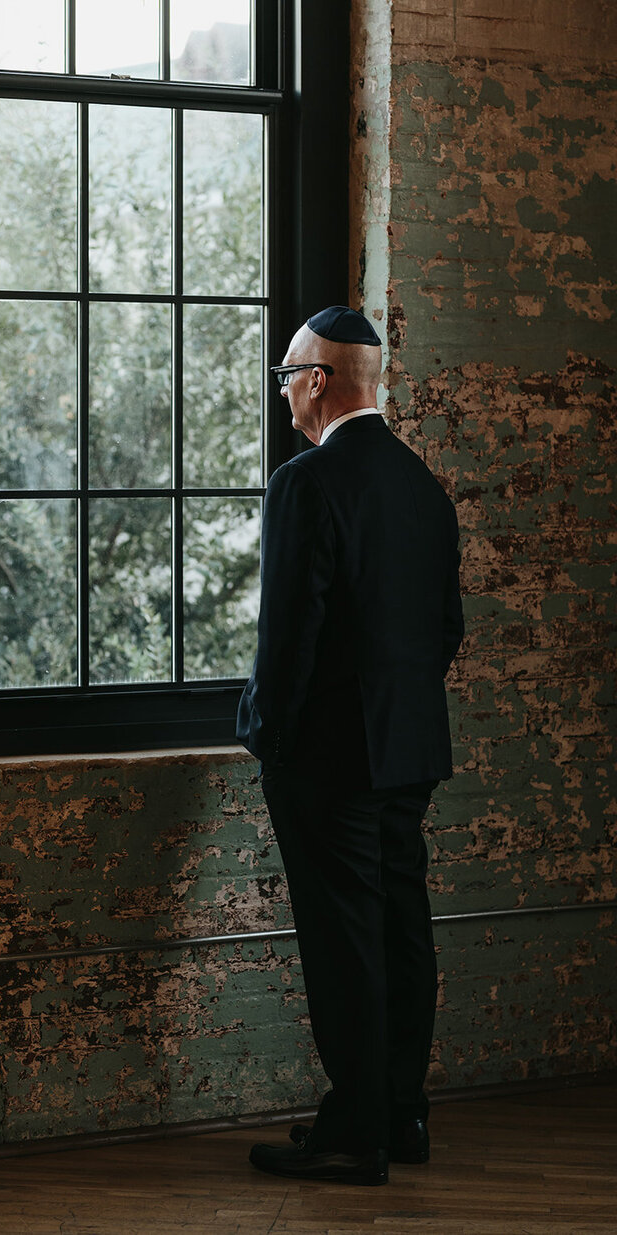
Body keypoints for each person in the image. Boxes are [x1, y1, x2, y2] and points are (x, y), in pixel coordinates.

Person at [236, 305, 464, 1187]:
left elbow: (288, 636)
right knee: (403, 929)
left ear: (318, 380)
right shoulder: (424, 487)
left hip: (329, 759)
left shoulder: (307, 483)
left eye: (288, 372)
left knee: (344, 943)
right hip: (409, 750)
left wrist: (264, 729)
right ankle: (403, 1113)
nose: (286, 388)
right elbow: (446, 628)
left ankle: (353, 1131)